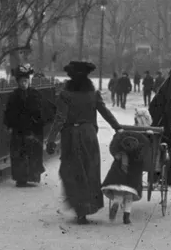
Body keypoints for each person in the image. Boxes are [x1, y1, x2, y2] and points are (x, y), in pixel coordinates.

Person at [45, 60, 121, 224]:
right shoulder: (93, 94)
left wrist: (51, 139)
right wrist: (117, 127)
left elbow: (60, 118)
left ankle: (79, 207)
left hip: (71, 136)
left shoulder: (65, 95)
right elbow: (105, 112)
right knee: (89, 170)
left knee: (72, 171)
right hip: (89, 136)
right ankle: (87, 206)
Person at [4, 63, 49, 187]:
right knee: (19, 154)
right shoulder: (14, 96)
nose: (24, 84)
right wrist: (10, 125)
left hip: (32, 129)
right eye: (22, 81)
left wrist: (37, 121)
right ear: (18, 82)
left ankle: (32, 177)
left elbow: (41, 111)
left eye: (26, 81)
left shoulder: (35, 94)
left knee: (32, 153)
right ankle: (20, 179)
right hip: (19, 129)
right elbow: (9, 112)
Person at [102, 130, 149, 225]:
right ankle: (126, 217)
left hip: (118, 176)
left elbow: (113, 147)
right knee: (129, 196)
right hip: (133, 176)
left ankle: (116, 202)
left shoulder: (120, 150)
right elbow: (144, 153)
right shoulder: (142, 144)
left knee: (119, 193)